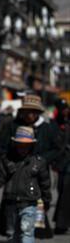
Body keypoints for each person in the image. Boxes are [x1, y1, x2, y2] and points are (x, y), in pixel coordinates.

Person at [0, 94, 61, 237]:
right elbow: (2, 147)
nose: (30, 115)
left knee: (37, 202)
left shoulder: (48, 128)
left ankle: (32, 232)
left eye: (33, 112)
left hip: (38, 171)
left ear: (38, 112)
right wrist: (7, 163)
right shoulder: (13, 126)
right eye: (27, 111)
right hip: (15, 170)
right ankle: (11, 229)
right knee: (12, 200)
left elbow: (57, 148)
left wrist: (42, 160)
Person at [0, 126, 51, 243]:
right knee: (11, 233)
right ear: (15, 144)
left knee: (26, 231)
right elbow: (1, 178)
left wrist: (46, 200)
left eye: (26, 146)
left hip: (29, 202)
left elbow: (45, 183)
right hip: (11, 201)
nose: (22, 148)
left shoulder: (38, 162)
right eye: (20, 145)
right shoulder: (8, 160)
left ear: (31, 145)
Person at [53, 98, 70, 234]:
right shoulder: (55, 124)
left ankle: (62, 223)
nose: (65, 110)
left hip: (66, 163)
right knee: (63, 193)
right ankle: (61, 223)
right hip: (62, 164)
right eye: (63, 108)